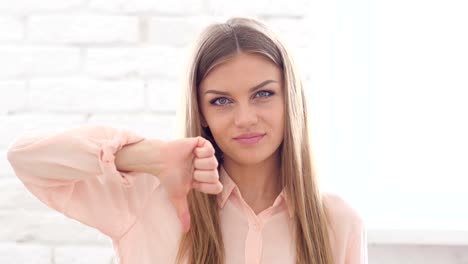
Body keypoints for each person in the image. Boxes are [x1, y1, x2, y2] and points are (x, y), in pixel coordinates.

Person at [6, 17, 367, 264]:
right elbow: (27, 159)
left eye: (263, 94)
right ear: (201, 112)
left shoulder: (338, 223)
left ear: (290, 98)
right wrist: (146, 155)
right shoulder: (147, 198)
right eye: (221, 100)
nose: (245, 118)